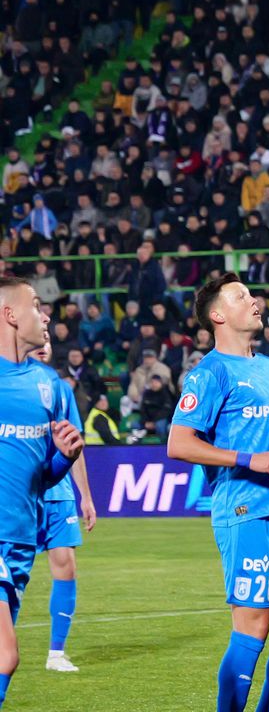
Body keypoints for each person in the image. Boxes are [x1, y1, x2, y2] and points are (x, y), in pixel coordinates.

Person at [167, 273, 269, 712]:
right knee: (254, 628)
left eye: (251, 294)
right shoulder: (210, 373)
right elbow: (179, 444)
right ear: (218, 315)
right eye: (240, 297)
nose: (254, 300)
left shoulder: (267, 365)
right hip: (247, 511)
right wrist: (246, 460)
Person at [0, 277, 85, 707]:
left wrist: (64, 459)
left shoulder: (48, 384)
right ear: (10, 315)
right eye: (35, 305)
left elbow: (42, 477)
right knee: (5, 656)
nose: (45, 313)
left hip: (19, 541)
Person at [33, 336, 97, 673]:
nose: (44, 342)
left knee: (66, 565)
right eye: (38, 335)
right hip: (21, 493)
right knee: (10, 574)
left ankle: (56, 653)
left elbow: (75, 446)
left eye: (47, 338)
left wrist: (85, 495)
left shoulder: (60, 389)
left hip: (59, 494)